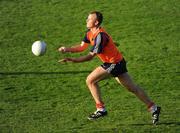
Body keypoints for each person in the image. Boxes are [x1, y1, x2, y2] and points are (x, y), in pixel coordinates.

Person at [58, 11, 161, 124]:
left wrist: (72, 60)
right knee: (132, 88)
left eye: (89, 19)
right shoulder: (89, 32)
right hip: (118, 62)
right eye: (87, 18)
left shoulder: (100, 36)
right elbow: (82, 47)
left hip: (114, 64)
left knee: (90, 80)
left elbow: (90, 57)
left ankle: (101, 109)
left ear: (96, 22)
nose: (86, 20)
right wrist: (67, 49)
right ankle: (153, 108)